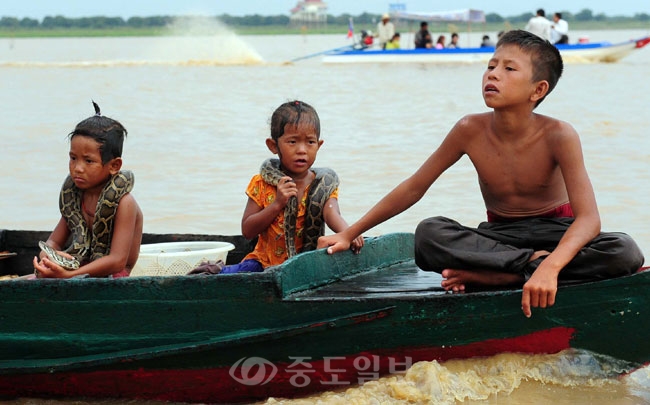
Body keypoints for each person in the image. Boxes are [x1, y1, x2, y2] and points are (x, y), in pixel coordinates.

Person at [318, 30, 645, 318]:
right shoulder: (469, 129)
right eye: (491, 65)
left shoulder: (560, 134)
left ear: (537, 90)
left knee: (624, 251)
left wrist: (552, 265)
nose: (493, 74)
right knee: (429, 234)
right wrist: (350, 233)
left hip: (554, 232)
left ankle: (503, 276)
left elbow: (588, 220)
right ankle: (517, 269)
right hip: (501, 239)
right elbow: (414, 187)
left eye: (509, 68)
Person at [208, 100, 363, 275]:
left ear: (319, 146)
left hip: (304, 264)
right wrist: (277, 204)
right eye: (292, 142)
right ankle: (212, 269)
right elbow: (248, 230)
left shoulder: (323, 184)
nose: (302, 150)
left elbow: (332, 214)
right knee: (229, 276)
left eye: (310, 142)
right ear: (273, 146)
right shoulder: (262, 183)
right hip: (264, 263)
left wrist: (349, 232)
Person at [33, 101, 143, 279]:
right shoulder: (76, 196)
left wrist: (71, 274)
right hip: (79, 269)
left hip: (112, 279)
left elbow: (117, 260)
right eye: (73, 158)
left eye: (88, 161)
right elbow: (54, 241)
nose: (78, 168)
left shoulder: (125, 203)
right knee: (31, 281)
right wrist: (48, 256)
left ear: (114, 165)